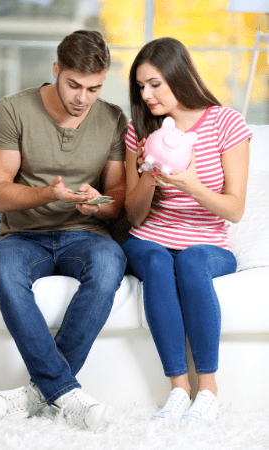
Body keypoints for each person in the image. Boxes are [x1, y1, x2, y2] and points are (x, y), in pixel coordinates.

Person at [0, 30, 128, 432]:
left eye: (94, 88)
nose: (83, 98)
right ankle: (65, 392)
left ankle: (40, 391)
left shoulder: (114, 118)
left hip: (85, 234)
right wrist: (49, 192)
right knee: (3, 269)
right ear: (56, 71)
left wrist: (94, 201)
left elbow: (117, 198)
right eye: (74, 85)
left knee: (110, 263)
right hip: (23, 237)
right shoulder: (12, 110)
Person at [122, 37, 252, 423]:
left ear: (178, 76)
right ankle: (178, 390)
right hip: (149, 240)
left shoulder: (226, 122)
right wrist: (147, 175)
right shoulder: (139, 130)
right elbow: (133, 216)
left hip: (207, 243)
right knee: (160, 263)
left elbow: (236, 209)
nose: (146, 94)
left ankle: (207, 391)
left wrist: (190, 184)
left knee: (192, 260)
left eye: (154, 84)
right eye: (140, 86)